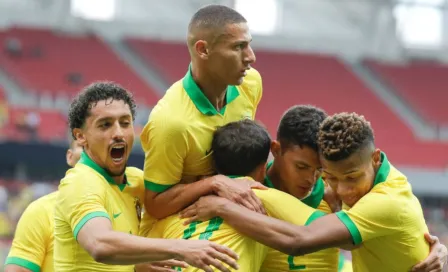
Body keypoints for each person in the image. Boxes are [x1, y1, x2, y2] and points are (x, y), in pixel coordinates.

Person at [180, 112, 447, 272]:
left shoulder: (370, 198)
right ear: (276, 151)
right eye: (302, 167)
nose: (342, 190)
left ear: (375, 159)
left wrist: (223, 203)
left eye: (318, 170)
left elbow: (304, 240)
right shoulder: (240, 191)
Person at [53, 82, 239, 272]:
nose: (118, 133)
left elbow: (175, 196)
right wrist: (180, 248)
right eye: (105, 125)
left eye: (125, 123)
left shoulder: (136, 180)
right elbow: (100, 244)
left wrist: (136, 265)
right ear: (80, 136)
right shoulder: (80, 181)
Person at [144, 119, 330, 272]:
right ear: (262, 170)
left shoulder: (178, 210)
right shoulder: (259, 196)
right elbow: (328, 230)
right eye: (302, 167)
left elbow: (142, 258)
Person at [139, 4, 265, 227]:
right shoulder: (171, 122)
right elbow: (156, 205)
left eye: (249, 45)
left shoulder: (251, 83)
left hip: (224, 217)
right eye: (238, 47)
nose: (251, 57)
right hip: (178, 234)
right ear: (203, 50)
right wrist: (214, 183)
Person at [4, 140, 82, 272]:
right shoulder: (41, 212)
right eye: (83, 145)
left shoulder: (128, 206)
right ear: (70, 156)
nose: (92, 151)